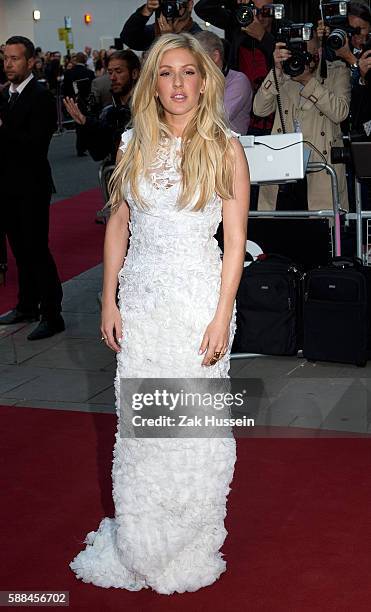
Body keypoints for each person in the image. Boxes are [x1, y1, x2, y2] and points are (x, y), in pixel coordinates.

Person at [69, 32, 250, 594]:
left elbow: (236, 241)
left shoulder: (225, 147)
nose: (178, 84)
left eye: (188, 72)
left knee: (192, 427)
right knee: (144, 427)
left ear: (205, 80)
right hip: (144, 302)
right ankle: (143, 538)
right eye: (166, 73)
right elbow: (119, 222)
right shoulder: (131, 143)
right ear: (153, 83)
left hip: (198, 301)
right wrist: (108, 298)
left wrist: (222, 315)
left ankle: (189, 538)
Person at [0, 36, 64, 340]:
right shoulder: (5, 95)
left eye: (14, 58)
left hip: (32, 185)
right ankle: (27, 305)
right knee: (19, 250)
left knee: (37, 249)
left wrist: (3, 130)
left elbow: (36, 145)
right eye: (5, 58)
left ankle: (53, 314)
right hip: (7, 185)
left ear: (30, 62)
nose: (8, 64)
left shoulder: (40, 96)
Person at [253, 28, 351, 211]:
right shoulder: (284, 74)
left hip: (321, 167)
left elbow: (340, 112)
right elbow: (259, 110)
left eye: (309, 53)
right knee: (278, 231)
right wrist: (277, 71)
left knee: (320, 232)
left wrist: (308, 81)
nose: (304, 59)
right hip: (283, 169)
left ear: (319, 51)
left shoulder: (337, 72)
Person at [195, 0, 280, 135]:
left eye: (266, 10)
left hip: (274, 117)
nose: (259, 16)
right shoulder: (237, 24)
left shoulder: (284, 30)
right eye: (254, 10)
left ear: (275, 9)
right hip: (242, 114)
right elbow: (202, 8)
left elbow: (286, 62)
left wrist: (262, 36)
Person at [63, 50, 140, 163]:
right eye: (110, 72)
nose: (113, 77)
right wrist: (86, 122)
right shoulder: (110, 111)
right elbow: (99, 152)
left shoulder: (147, 107)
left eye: (118, 71)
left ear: (134, 73)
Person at [195, 29, 253, 134]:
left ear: (215, 56)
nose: (193, 63)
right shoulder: (195, 79)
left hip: (230, 148)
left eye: (197, 58)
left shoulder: (238, 81)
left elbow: (217, 118)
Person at [121, 0, 202, 51]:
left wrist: (167, 39)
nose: (170, 7)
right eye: (166, 2)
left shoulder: (199, 37)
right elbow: (128, 39)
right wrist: (146, 11)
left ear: (190, 5)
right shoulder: (155, 31)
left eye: (176, 2)